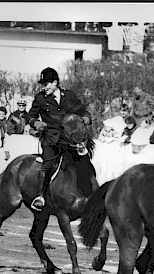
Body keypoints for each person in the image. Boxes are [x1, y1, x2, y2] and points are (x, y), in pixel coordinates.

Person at [25, 67, 92, 211]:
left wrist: (86, 118)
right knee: (48, 163)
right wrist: (35, 123)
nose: (44, 87)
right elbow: (29, 116)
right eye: (42, 84)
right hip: (51, 139)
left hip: (70, 138)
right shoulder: (40, 98)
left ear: (55, 82)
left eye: (46, 84)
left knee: (85, 158)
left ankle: (89, 191)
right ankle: (41, 195)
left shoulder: (69, 95)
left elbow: (82, 110)